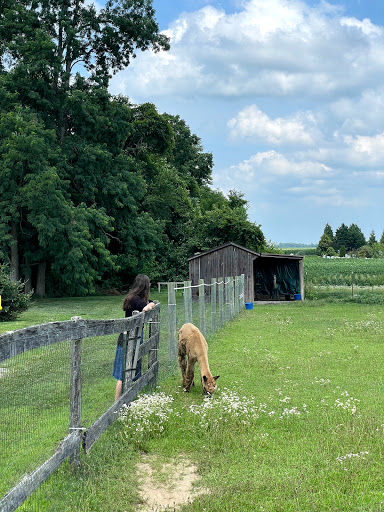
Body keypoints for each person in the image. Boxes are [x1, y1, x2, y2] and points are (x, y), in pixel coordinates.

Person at [113, 274, 156, 401]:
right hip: (127, 340)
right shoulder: (135, 300)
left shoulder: (134, 298)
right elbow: (146, 307)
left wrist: (151, 302)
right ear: (144, 287)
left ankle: (129, 399)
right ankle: (117, 405)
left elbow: (149, 302)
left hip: (133, 337)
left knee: (133, 371)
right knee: (123, 374)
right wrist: (151, 305)